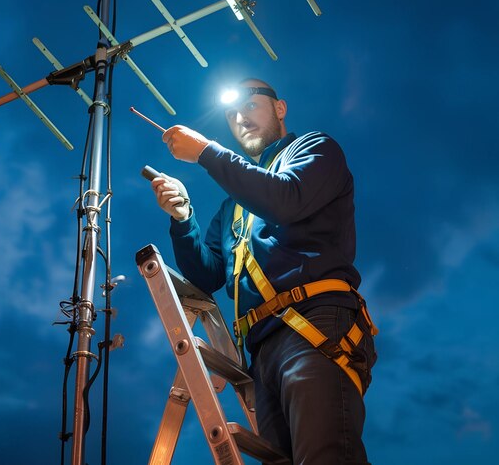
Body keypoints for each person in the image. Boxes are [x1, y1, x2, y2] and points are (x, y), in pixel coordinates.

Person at [150, 78, 377, 465]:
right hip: (260, 349)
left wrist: (206, 152)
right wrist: (184, 219)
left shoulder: (314, 149)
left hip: (314, 325)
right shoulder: (234, 207)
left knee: (325, 456)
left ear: (280, 108)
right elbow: (207, 277)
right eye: (232, 114)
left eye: (250, 105)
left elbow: (284, 200)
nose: (241, 118)